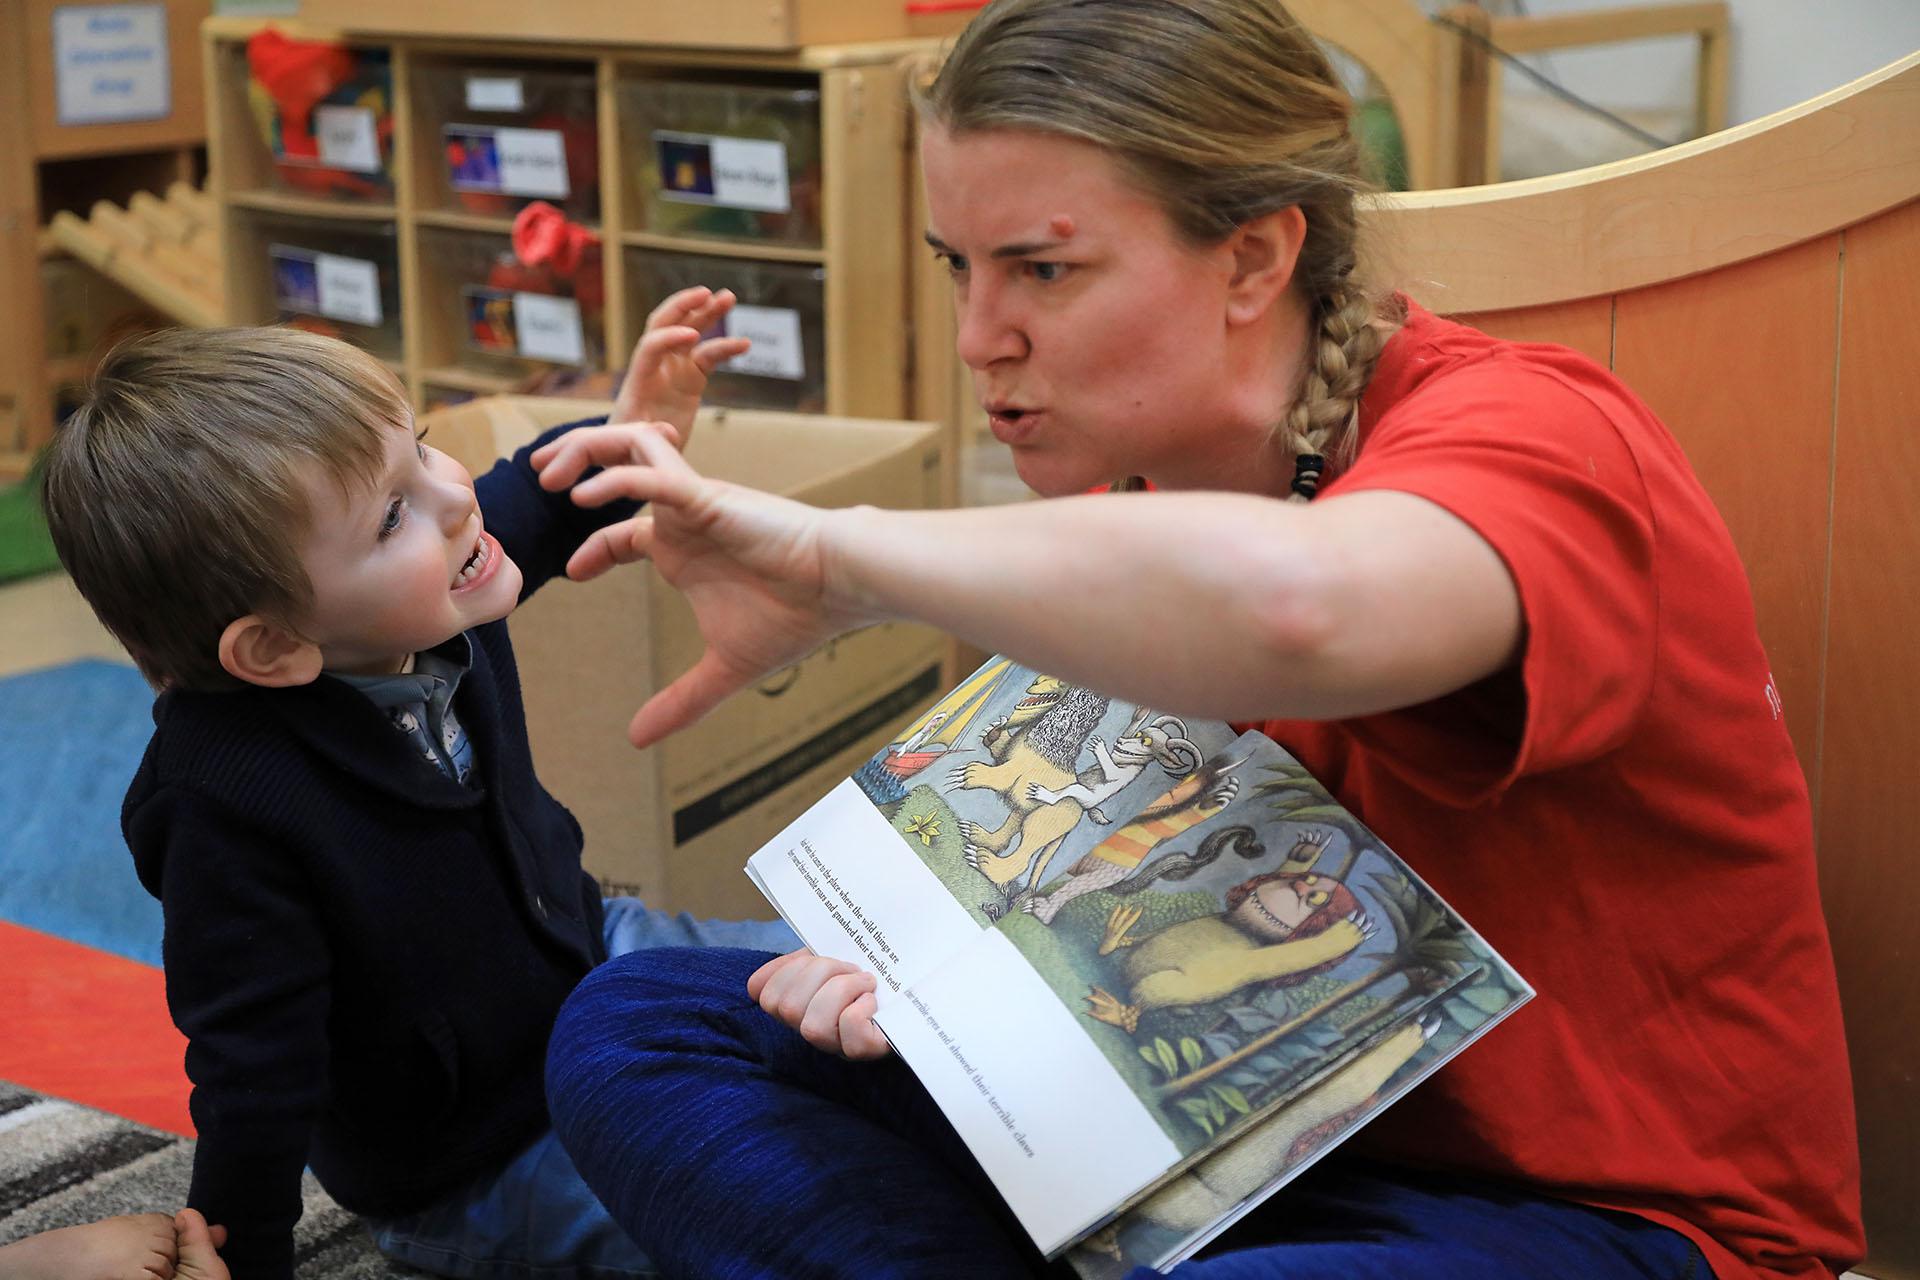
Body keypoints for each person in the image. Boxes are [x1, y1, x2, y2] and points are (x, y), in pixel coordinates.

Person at [533, 1, 1864, 1278]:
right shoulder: (1140, 484)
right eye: (959, 264)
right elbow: (1111, 853)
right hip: (1200, 1146)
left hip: (1594, 1210)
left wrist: (842, 564)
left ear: (1254, 258)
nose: (977, 337)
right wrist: (924, 980)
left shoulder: (1539, 434)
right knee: (638, 1026)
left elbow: (1299, 612)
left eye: (1043, 270)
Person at [29, 289, 796, 1280]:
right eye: (393, 513)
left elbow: (528, 495)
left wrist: (624, 433)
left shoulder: (431, 584)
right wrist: (243, 1246)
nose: (454, 494)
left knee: (874, 976)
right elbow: (253, 1065)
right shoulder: (223, 805)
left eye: (424, 446)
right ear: (272, 646)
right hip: (480, 1154)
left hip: (596, 952)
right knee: (760, 1201)